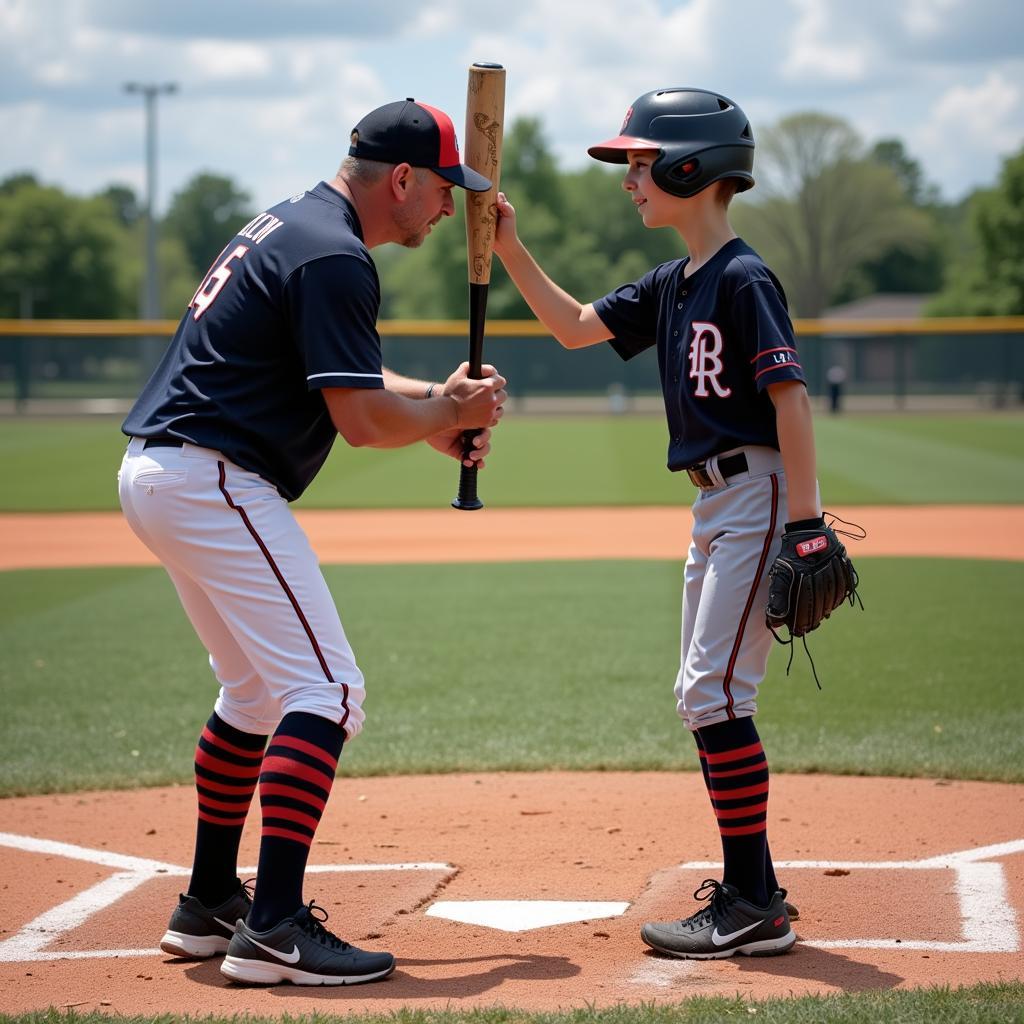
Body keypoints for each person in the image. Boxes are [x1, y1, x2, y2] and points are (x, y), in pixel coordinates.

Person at [118, 98, 507, 986]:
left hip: (166, 474)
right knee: (327, 691)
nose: (451, 207)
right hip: (213, 476)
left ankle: (210, 901)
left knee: (255, 693)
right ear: (401, 180)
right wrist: (447, 412)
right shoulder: (336, 254)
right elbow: (364, 422)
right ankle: (278, 928)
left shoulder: (296, 225)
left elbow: (349, 373)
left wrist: (437, 412)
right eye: (444, 188)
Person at [493, 87, 818, 959]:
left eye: (641, 162)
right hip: (714, 502)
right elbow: (570, 328)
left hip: (758, 494)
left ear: (692, 167)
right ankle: (758, 895)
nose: (630, 178)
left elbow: (789, 400)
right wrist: (509, 246)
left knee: (712, 694)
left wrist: (809, 525)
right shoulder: (672, 284)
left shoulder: (744, 277)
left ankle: (751, 902)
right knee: (705, 694)